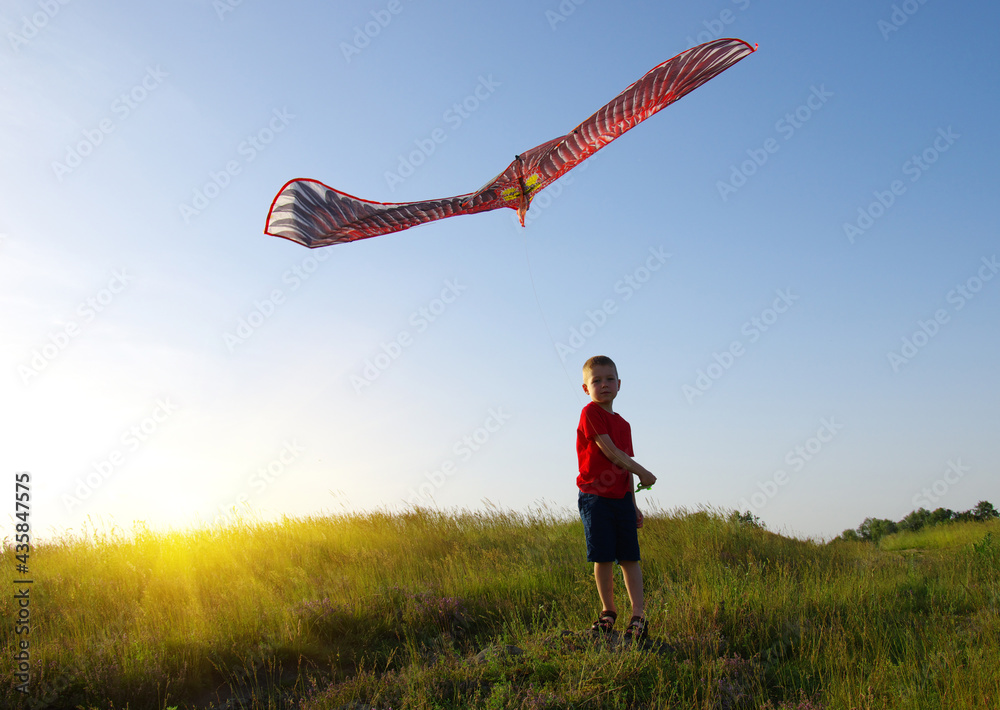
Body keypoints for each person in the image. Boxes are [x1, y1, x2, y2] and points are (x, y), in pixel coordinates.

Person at [576, 355, 657, 640]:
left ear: (619, 384)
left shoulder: (623, 424)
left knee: (630, 557)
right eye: (596, 380)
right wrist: (645, 471)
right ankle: (608, 611)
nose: (604, 384)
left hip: (621, 498)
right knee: (603, 557)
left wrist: (634, 504)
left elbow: (624, 465)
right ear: (587, 388)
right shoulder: (591, 414)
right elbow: (610, 452)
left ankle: (638, 615)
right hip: (595, 497)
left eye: (609, 379)